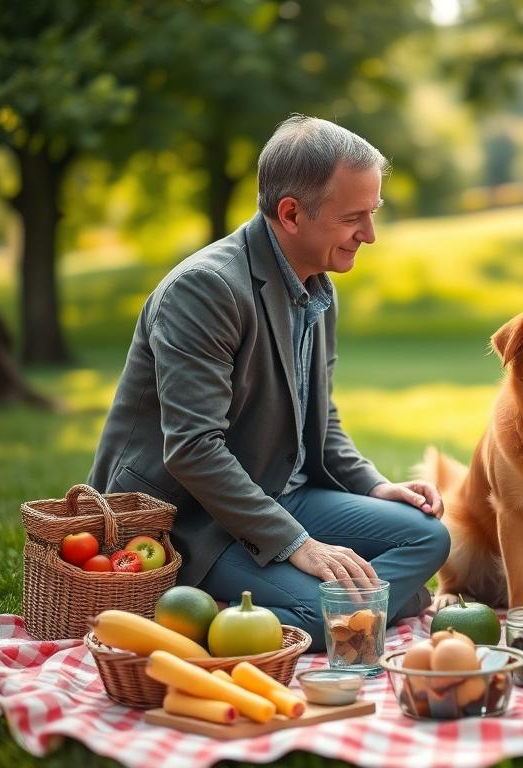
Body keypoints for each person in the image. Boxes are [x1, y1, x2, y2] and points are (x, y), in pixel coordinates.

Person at [88, 115, 450, 650]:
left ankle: (349, 606)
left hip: (282, 493)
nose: (369, 235)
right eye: (354, 217)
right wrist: (296, 544)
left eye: (371, 215)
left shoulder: (317, 283)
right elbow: (193, 449)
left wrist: (375, 486)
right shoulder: (205, 290)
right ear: (291, 213)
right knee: (324, 612)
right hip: (197, 521)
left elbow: (320, 418)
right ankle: (215, 616)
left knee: (427, 536)